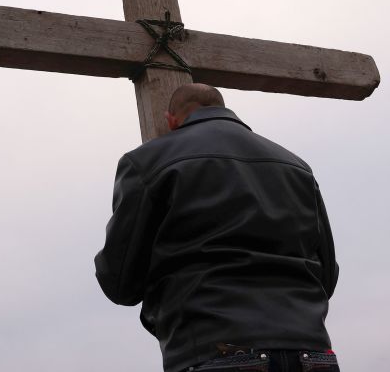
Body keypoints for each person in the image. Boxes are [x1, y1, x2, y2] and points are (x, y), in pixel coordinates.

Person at [94, 84, 339, 372]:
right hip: (311, 351)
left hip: (216, 347)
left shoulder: (148, 162)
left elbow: (120, 283)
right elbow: (327, 274)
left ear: (170, 119)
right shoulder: (297, 166)